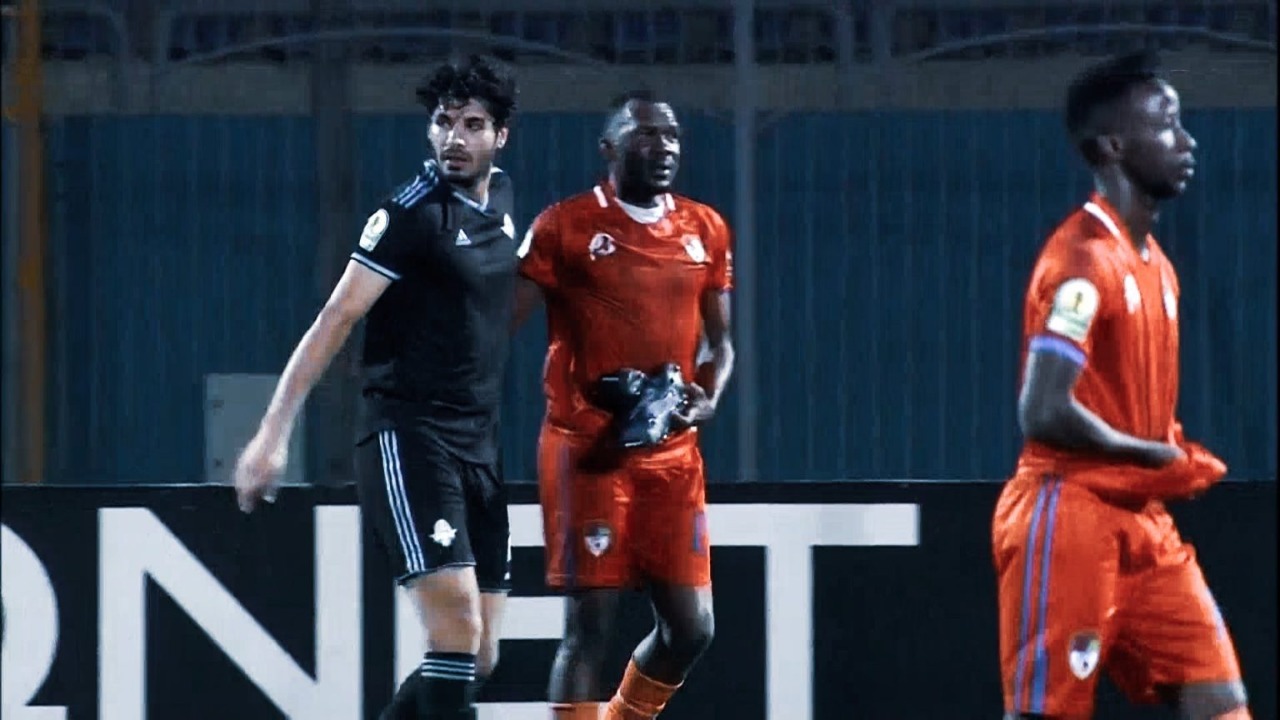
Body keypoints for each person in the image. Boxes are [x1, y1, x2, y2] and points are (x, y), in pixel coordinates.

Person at [232, 55, 521, 720]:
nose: (454, 137)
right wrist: (272, 434)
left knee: (480, 656)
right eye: (443, 122)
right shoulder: (409, 216)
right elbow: (336, 319)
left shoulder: (502, 201)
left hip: (480, 445)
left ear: (500, 136)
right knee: (456, 632)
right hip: (410, 437)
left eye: (472, 124)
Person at [993, 51, 1250, 720]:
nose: (1186, 141)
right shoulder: (1081, 262)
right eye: (1165, 124)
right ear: (1112, 145)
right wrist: (1150, 453)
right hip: (1069, 514)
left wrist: (1165, 451)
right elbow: (1043, 410)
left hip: (1144, 523)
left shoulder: (1156, 264)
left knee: (1220, 700)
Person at [512, 90, 735, 720]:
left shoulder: (706, 228)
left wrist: (708, 395)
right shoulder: (565, 226)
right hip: (588, 451)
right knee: (589, 627)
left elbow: (721, 344)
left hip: (674, 456)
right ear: (608, 147)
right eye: (644, 134)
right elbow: (499, 323)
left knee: (691, 629)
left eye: (671, 135)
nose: (662, 146)